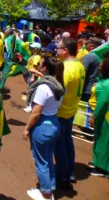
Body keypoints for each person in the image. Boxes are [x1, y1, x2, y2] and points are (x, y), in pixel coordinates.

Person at [24, 57, 65, 200]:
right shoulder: (58, 85)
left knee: (40, 161)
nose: (39, 66)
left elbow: (36, 112)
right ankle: (50, 188)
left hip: (42, 126)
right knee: (47, 159)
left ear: (45, 68)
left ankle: (46, 194)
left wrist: (27, 128)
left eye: (41, 64)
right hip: (54, 123)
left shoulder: (43, 87)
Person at [54, 37, 85, 187]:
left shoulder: (66, 68)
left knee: (59, 144)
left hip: (61, 111)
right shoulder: (79, 65)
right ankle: (69, 171)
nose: (56, 50)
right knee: (67, 142)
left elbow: (57, 91)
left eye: (58, 48)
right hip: (71, 109)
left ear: (65, 50)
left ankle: (62, 176)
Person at [87, 51, 109, 177]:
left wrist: (94, 116)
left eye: (101, 65)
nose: (99, 66)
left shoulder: (106, 85)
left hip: (105, 118)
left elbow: (102, 103)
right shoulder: (105, 81)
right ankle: (98, 162)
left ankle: (102, 167)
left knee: (102, 141)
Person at [81, 37, 102, 102]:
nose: (85, 46)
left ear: (92, 46)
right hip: (98, 89)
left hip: (86, 90)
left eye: (86, 44)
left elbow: (82, 73)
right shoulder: (102, 57)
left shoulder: (89, 56)